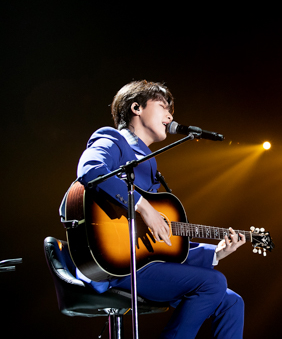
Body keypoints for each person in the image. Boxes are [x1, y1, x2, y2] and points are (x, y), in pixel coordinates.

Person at [72, 80, 245, 338]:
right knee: (214, 282)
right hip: (116, 265)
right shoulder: (113, 139)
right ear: (136, 108)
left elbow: (157, 241)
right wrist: (143, 207)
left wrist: (216, 254)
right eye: (163, 106)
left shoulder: (150, 165)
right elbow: (91, 170)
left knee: (232, 302)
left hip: (144, 263)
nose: (170, 115)